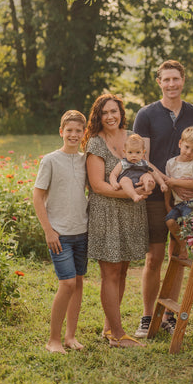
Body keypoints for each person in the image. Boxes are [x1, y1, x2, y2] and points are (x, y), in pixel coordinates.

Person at [133, 60, 193, 337]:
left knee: (179, 255)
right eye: (166, 79)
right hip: (156, 194)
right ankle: (146, 316)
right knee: (154, 257)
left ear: (183, 80)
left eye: (175, 79)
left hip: (188, 200)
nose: (171, 84)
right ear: (159, 82)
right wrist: (166, 181)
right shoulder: (146, 114)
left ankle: (169, 315)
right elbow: (142, 156)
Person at [83, 93, 150, 348]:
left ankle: (109, 327)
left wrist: (148, 184)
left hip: (131, 214)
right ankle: (118, 335)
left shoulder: (133, 138)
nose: (110, 116)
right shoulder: (96, 144)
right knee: (110, 273)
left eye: (114, 111)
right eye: (105, 112)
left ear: (121, 112)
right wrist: (129, 193)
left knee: (122, 271)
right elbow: (98, 186)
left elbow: (145, 167)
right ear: (98, 117)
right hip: (107, 214)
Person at [33, 110, 88, 354]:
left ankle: (70, 337)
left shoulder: (85, 160)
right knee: (66, 283)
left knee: (77, 283)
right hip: (60, 234)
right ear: (61, 132)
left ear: (83, 133)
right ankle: (53, 340)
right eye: (69, 130)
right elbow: (37, 196)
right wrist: (48, 231)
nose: (73, 135)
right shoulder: (50, 160)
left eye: (78, 131)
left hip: (82, 231)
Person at [164, 126, 193, 246]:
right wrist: (167, 204)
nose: (189, 152)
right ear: (180, 143)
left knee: (187, 221)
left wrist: (175, 182)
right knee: (170, 221)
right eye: (187, 147)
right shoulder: (170, 163)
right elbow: (168, 187)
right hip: (179, 203)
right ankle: (183, 245)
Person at [109, 134, 168, 202]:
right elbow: (113, 174)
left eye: (137, 152)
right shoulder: (122, 163)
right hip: (128, 184)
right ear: (125, 152)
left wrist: (162, 183)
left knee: (147, 175)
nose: (134, 155)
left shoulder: (144, 164)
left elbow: (155, 174)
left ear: (143, 153)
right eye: (130, 152)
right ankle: (134, 195)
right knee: (124, 180)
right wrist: (114, 183)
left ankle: (148, 185)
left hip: (140, 182)